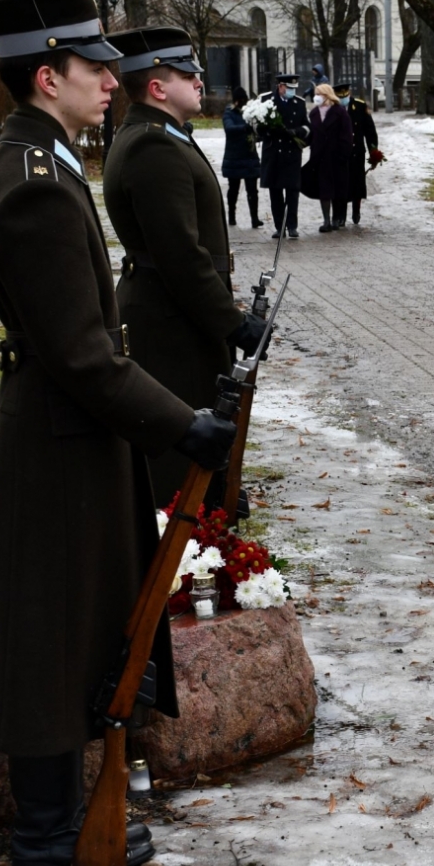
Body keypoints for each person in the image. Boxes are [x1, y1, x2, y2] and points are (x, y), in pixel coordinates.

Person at [0, 0, 235, 866]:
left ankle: (57, 814)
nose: (113, 82)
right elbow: (83, 355)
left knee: (69, 617)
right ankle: (47, 831)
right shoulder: (36, 187)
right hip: (59, 437)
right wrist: (182, 421)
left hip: (70, 433)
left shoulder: (47, 161)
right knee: (49, 624)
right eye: (94, 69)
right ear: (50, 78)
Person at [102, 26, 267, 509]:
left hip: (177, 316)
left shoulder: (163, 136)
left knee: (201, 459)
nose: (199, 81)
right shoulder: (153, 147)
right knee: (178, 472)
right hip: (169, 323)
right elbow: (181, 257)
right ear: (157, 87)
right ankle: (185, 558)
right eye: (187, 73)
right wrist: (234, 323)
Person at [258, 73, 309, 239]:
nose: (293, 92)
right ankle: (279, 227)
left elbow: (307, 127)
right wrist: (268, 130)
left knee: (292, 191)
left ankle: (292, 225)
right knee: (275, 191)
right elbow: (256, 125)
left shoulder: (299, 103)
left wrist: (296, 132)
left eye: (295, 88)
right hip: (274, 152)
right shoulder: (266, 100)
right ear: (281, 86)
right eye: (289, 88)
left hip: (292, 153)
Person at [306, 82, 353, 232]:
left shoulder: (340, 112)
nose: (316, 97)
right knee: (324, 190)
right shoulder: (313, 113)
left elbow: (346, 135)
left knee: (338, 189)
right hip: (320, 157)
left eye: (319, 94)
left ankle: (336, 218)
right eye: (315, 94)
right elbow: (312, 134)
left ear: (326, 95)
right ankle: (326, 220)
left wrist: (344, 154)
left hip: (337, 156)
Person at [335, 81, 380, 226]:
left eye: (345, 95)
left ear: (350, 94)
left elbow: (370, 132)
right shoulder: (332, 108)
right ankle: (340, 215)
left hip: (356, 153)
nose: (343, 99)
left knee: (356, 184)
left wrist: (374, 152)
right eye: (340, 96)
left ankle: (356, 210)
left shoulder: (360, 107)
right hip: (339, 154)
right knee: (339, 185)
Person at [221, 85, 263, 229]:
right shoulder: (229, 113)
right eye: (241, 100)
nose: (243, 103)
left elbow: (258, 130)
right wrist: (245, 128)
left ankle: (255, 218)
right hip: (234, 158)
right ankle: (231, 215)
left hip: (249, 157)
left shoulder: (251, 112)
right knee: (234, 189)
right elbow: (229, 128)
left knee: (253, 190)